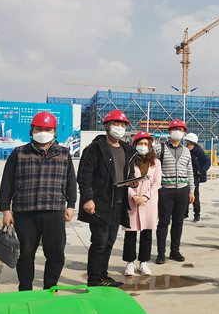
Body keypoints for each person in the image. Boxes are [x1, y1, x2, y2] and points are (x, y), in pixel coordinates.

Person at [0, 111, 77, 291]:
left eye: (47, 129)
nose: (43, 132)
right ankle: (25, 289)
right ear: (32, 130)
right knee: (26, 254)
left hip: (54, 209)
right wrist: (6, 209)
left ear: (54, 131)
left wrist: (71, 205)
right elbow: (7, 182)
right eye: (39, 128)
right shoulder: (19, 153)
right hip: (25, 211)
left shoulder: (64, 154)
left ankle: (50, 288)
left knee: (56, 254)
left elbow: (71, 181)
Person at [77, 110, 137, 287]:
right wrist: (88, 198)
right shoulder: (96, 148)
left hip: (118, 202)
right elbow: (84, 175)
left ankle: (103, 275)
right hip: (100, 202)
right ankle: (94, 279)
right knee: (99, 242)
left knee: (109, 242)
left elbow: (128, 173)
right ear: (106, 126)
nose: (120, 127)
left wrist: (133, 181)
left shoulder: (126, 149)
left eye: (123, 124)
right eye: (116, 123)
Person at [153, 119, 195, 264]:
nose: (178, 132)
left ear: (184, 133)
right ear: (169, 132)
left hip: (182, 191)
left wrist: (191, 190)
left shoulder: (186, 151)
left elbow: (190, 171)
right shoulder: (159, 148)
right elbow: (152, 168)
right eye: (175, 129)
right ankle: (161, 253)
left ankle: (174, 251)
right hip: (165, 191)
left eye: (181, 129)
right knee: (163, 222)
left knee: (178, 221)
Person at [122, 131, 161, 276]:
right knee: (130, 233)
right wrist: (133, 196)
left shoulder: (156, 163)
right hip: (132, 201)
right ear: (135, 145)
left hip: (148, 202)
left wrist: (146, 196)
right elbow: (124, 181)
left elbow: (157, 182)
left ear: (150, 146)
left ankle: (143, 262)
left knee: (147, 233)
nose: (143, 146)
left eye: (146, 144)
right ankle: (130, 262)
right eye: (140, 143)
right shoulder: (128, 161)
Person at [184, 133, 211, 223]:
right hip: (185, 174)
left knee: (194, 194)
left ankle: (197, 215)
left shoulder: (198, 151)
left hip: (195, 175)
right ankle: (185, 214)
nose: (185, 142)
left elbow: (207, 161)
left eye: (186, 140)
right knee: (184, 194)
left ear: (190, 141)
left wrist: (201, 171)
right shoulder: (184, 150)